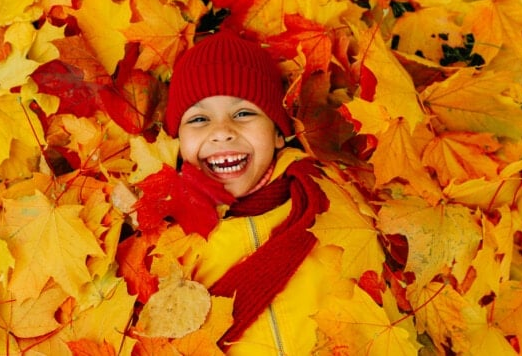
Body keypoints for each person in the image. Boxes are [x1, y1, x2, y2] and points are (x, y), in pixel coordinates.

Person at [123, 29, 375, 354]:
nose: (222, 131)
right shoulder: (157, 243)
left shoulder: (333, 199)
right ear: (176, 142)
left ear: (279, 133)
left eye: (243, 113)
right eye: (199, 119)